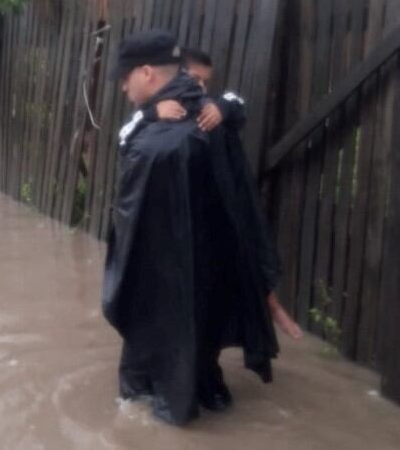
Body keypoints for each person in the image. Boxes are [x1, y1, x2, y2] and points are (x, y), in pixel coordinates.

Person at [103, 29, 280, 426]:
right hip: (210, 275)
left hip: (165, 282)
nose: (122, 87)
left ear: (147, 73)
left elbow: (133, 231)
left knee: (154, 377)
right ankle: (206, 392)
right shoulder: (212, 118)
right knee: (200, 356)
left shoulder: (157, 141)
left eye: (125, 77)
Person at [154, 47, 303, 340]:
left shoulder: (211, 111)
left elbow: (238, 102)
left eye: (205, 82)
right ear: (177, 75)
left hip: (220, 209)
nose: (200, 87)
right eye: (195, 78)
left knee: (245, 257)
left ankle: (271, 306)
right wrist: (152, 112)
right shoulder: (158, 111)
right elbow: (131, 137)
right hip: (178, 220)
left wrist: (222, 106)